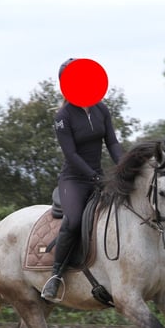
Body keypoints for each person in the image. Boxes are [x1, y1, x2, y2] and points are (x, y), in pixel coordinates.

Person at [41, 58, 124, 302]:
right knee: (74, 220)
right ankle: (55, 276)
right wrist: (93, 175)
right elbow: (71, 154)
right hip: (74, 179)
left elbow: (112, 142)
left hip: (99, 176)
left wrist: (125, 166)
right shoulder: (63, 117)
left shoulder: (101, 109)